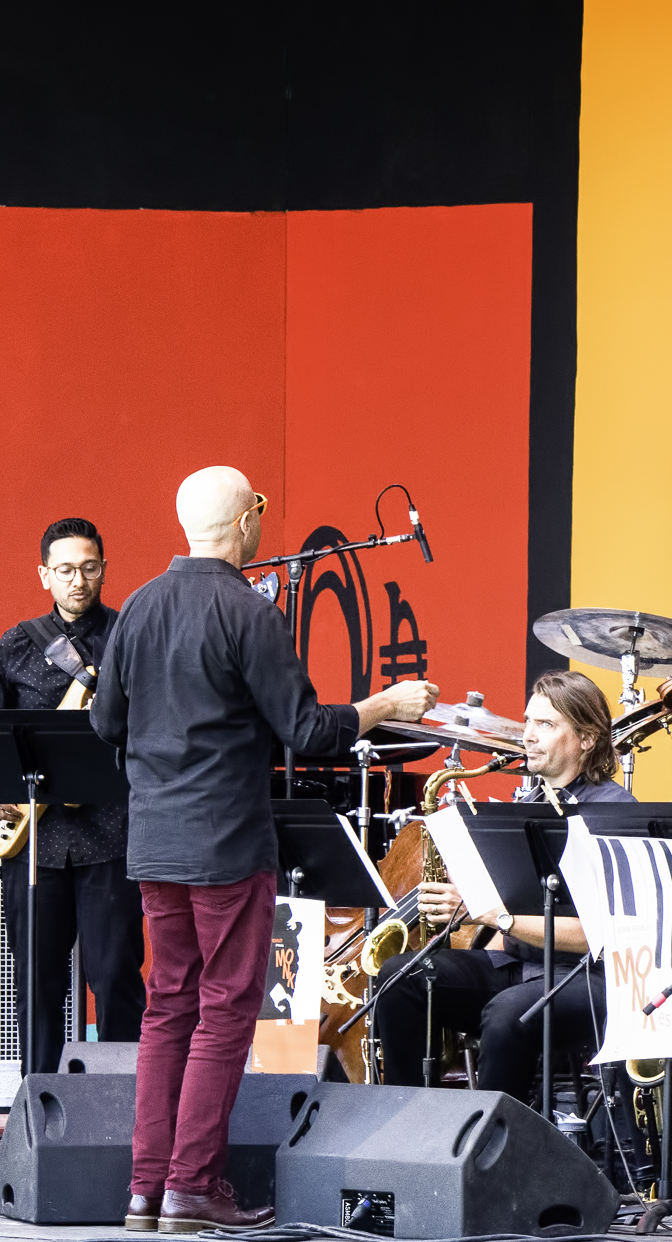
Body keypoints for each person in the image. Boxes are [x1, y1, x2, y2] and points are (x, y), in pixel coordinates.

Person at [92, 467, 437, 1232]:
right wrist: (384, 704)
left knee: (166, 1009)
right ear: (247, 521)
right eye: (260, 511)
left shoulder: (140, 605)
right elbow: (308, 730)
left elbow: (103, 723)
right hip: (225, 843)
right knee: (223, 1011)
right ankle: (191, 1186)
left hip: (154, 841)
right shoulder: (248, 612)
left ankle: (146, 1191)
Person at [372, 670, 633, 1099]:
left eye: (545, 725)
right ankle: (411, 1122)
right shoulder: (525, 805)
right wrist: (462, 910)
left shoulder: (614, 812)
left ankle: (492, 1145)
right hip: (517, 967)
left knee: (508, 1012)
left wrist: (499, 916)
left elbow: (599, 938)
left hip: (590, 978)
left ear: (587, 739)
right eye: (528, 721)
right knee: (401, 976)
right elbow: (503, 914)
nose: (528, 735)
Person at [0, 517, 146, 1074]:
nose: (78, 580)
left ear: (104, 569)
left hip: (111, 837)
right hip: (34, 845)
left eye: (89, 568)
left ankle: (129, 1113)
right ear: (44, 574)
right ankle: (38, 1113)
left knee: (115, 975)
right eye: (66, 569)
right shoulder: (15, 645)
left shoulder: (129, 637)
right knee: (37, 985)